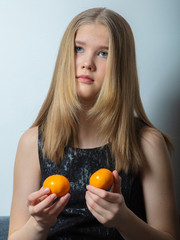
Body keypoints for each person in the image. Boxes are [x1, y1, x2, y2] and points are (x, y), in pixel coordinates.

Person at [8, 7, 179, 240]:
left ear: (122, 67)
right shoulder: (32, 142)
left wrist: (124, 220)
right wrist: (39, 224)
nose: (87, 63)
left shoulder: (148, 143)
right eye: (78, 49)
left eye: (104, 53)